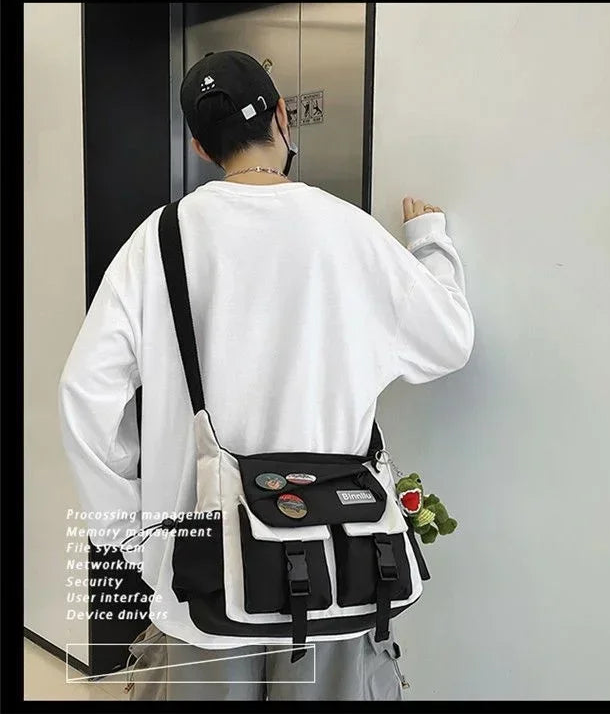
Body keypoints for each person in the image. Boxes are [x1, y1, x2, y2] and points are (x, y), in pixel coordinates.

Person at [59, 50, 475, 700]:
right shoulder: (352, 232)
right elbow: (449, 340)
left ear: (199, 147)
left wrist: (136, 540)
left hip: (199, 586)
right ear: (283, 115)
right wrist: (428, 242)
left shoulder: (157, 242)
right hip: (336, 575)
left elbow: (85, 395)